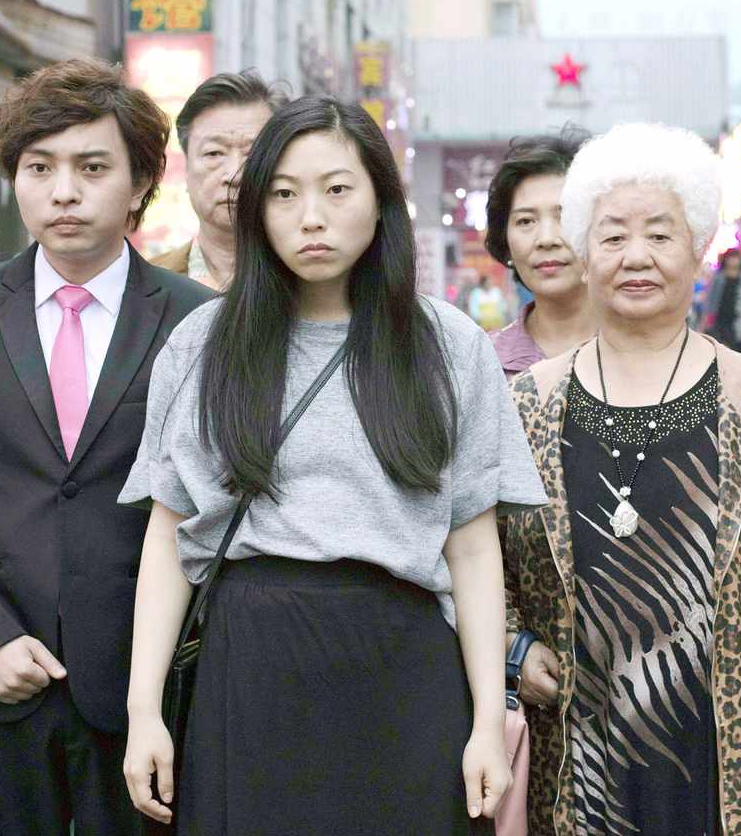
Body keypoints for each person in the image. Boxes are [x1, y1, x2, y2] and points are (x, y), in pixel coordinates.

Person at [118, 97, 546, 835]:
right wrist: (143, 711)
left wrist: (484, 720)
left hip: (403, 667)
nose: (310, 216)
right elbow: (168, 536)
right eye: (284, 194)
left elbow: (473, 547)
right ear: (257, 212)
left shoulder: (446, 346)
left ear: (381, 200)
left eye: (336, 189)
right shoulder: (204, 346)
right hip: (250, 667)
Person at [499, 122, 741, 836]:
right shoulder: (529, 402)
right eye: (613, 236)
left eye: (660, 235)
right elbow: (480, 548)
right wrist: (515, 648)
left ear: (697, 249)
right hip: (575, 737)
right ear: (584, 252)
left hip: (722, 746)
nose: (637, 257)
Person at [0, 58, 211, 836]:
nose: (63, 191)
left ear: (141, 182)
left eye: (91, 168)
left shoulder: (195, 321)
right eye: (40, 168)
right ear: (15, 179)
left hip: (147, 688)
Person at [150, 70, 290, 289]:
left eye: (253, 154)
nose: (235, 174)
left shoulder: (318, 283)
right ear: (186, 170)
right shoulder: (142, 285)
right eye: (214, 153)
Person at [483, 127, 595, 375]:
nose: (546, 239)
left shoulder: (646, 354)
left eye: (565, 216)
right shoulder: (481, 363)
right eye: (525, 221)